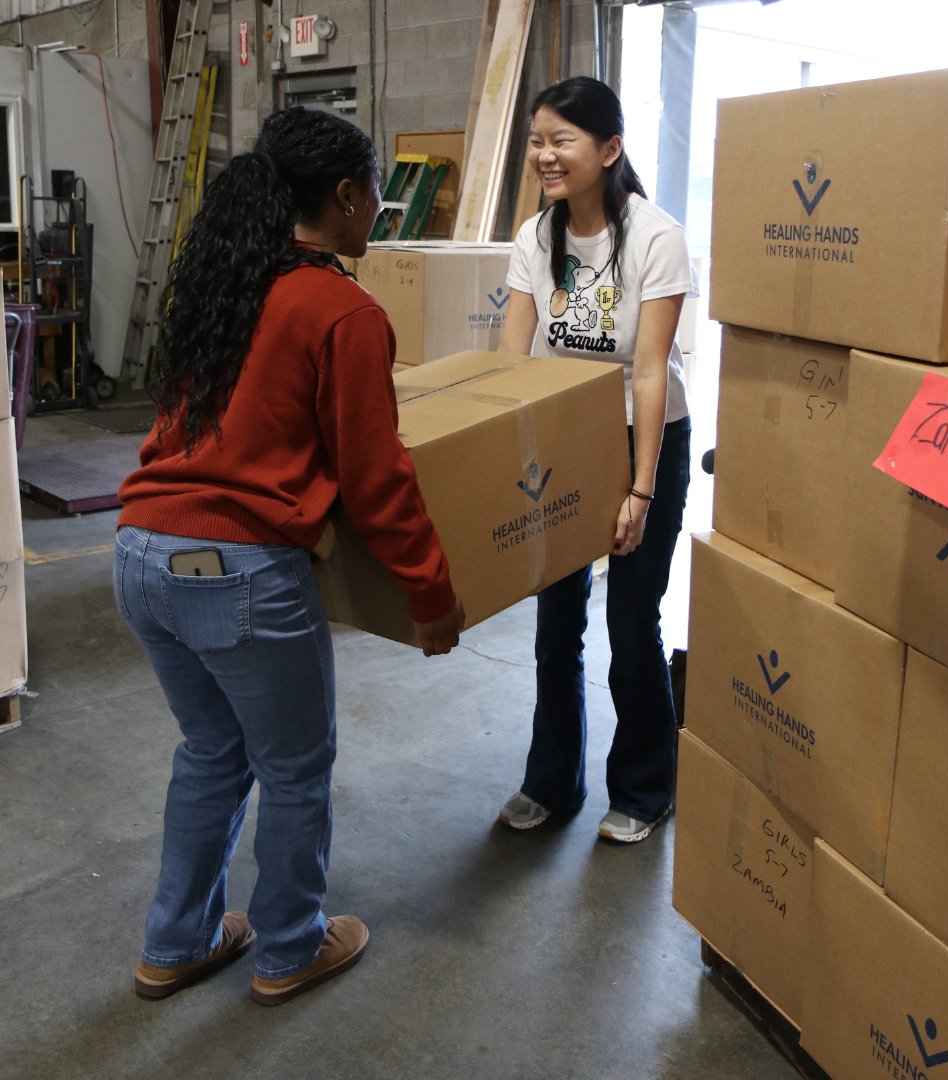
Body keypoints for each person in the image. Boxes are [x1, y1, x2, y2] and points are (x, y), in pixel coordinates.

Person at [114, 107, 465, 1006]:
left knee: (211, 751)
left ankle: (176, 942)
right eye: (375, 191)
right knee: (295, 766)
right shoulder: (342, 309)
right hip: (231, 571)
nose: (381, 206)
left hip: (140, 553)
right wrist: (431, 595)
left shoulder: (229, 279)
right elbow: (376, 478)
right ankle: (287, 949)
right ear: (345, 197)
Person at [496, 77, 694, 844]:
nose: (545, 154)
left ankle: (645, 787)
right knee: (556, 622)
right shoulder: (532, 238)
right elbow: (511, 361)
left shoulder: (654, 236)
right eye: (537, 139)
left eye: (561, 140)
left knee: (631, 620)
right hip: (566, 446)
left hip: (646, 441)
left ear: (609, 148)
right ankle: (552, 781)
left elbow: (648, 371)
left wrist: (640, 491)